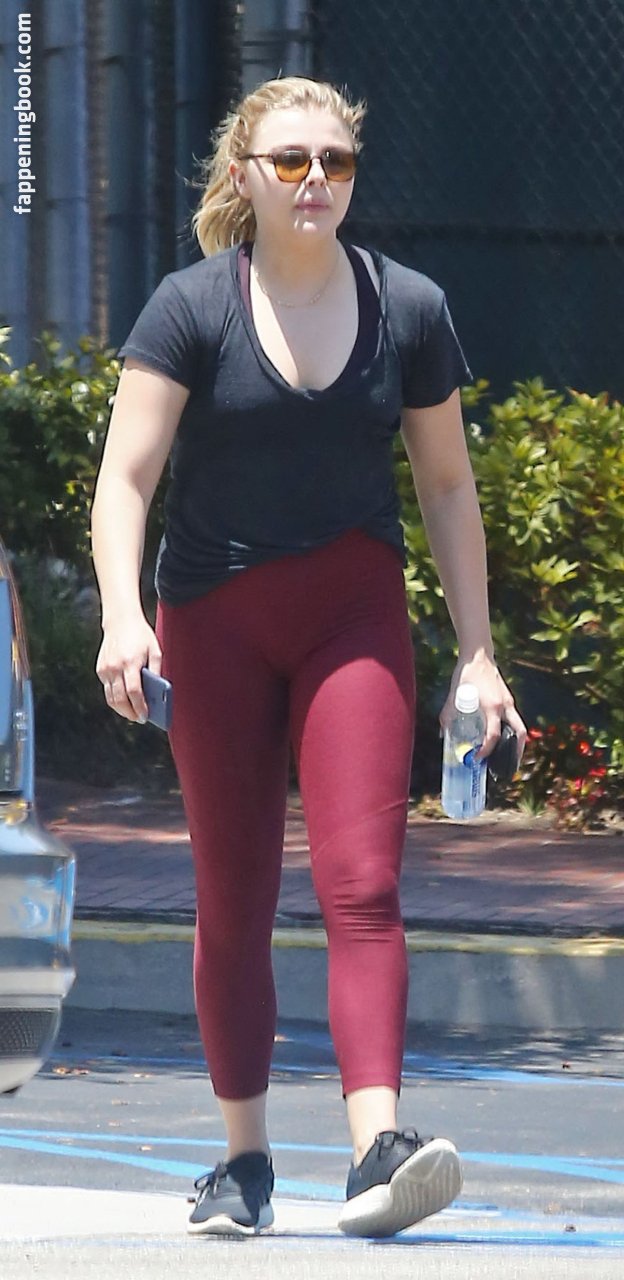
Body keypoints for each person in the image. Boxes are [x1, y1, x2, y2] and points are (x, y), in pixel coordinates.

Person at [90, 75, 526, 1239]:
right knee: (231, 897)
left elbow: (448, 486)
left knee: (364, 882)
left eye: (335, 160)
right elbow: (125, 477)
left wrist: (477, 653)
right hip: (213, 623)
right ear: (247, 174)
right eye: (290, 160)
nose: (315, 180)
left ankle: (378, 1147)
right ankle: (243, 1164)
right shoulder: (191, 306)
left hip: (352, 618)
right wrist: (123, 616)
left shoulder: (409, 307)